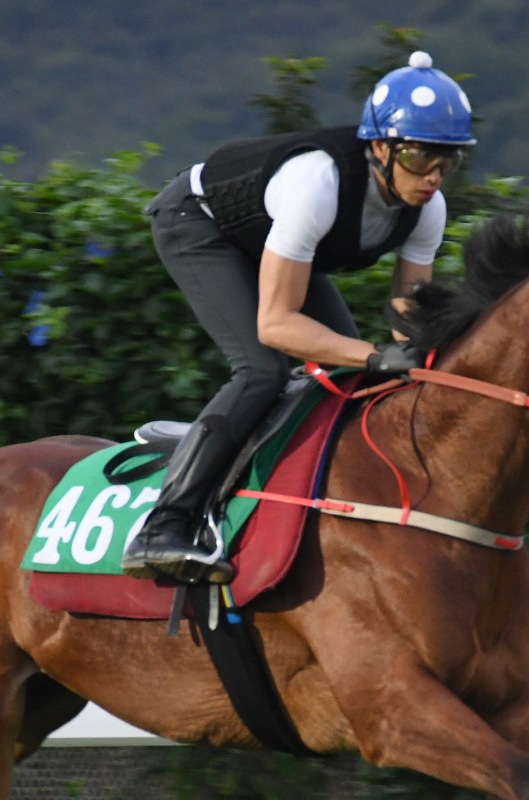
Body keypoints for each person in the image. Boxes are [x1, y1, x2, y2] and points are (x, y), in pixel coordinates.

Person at [122, 51, 476, 582]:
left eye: (448, 161)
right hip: (199, 226)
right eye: (420, 157)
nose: (433, 177)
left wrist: (422, 361)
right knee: (262, 370)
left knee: (350, 380)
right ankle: (162, 527)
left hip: (267, 239)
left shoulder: (430, 209)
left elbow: (408, 319)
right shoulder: (318, 183)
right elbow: (276, 324)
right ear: (380, 147)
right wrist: (378, 355)